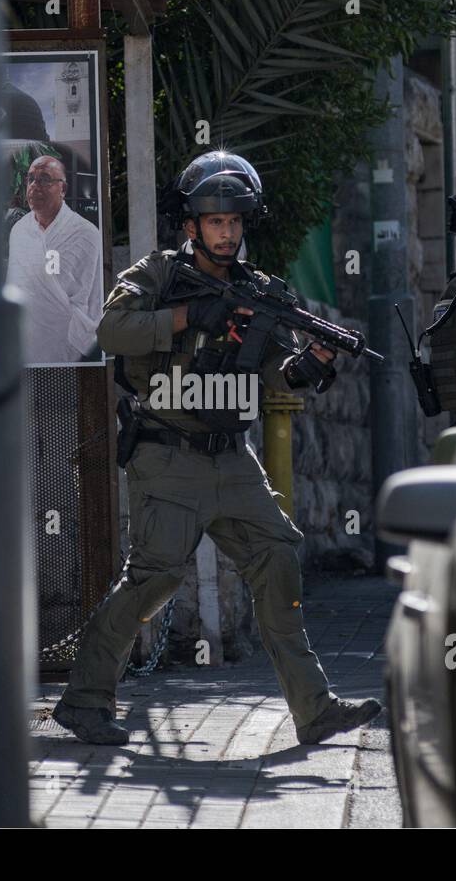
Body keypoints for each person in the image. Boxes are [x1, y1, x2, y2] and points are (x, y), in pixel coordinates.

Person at [52, 149, 382, 746]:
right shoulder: (158, 275)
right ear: (192, 225)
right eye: (214, 222)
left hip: (233, 457)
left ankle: (314, 709)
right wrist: (189, 316)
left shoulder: (260, 291)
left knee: (278, 560)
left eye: (234, 222)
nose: (226, 233)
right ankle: (84, 701)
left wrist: (309, 365)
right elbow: (111, 330)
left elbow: (277, 371)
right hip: (166, 452)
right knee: (153, 579)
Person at [6, 155, 103, 364]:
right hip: (23, 348)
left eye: (44, 179)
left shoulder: (85, 233)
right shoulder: (19, 230)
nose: (34, 185)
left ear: (63, 189)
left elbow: (86, 298)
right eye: (31, 179)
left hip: (68, 349)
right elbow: (15, 285)